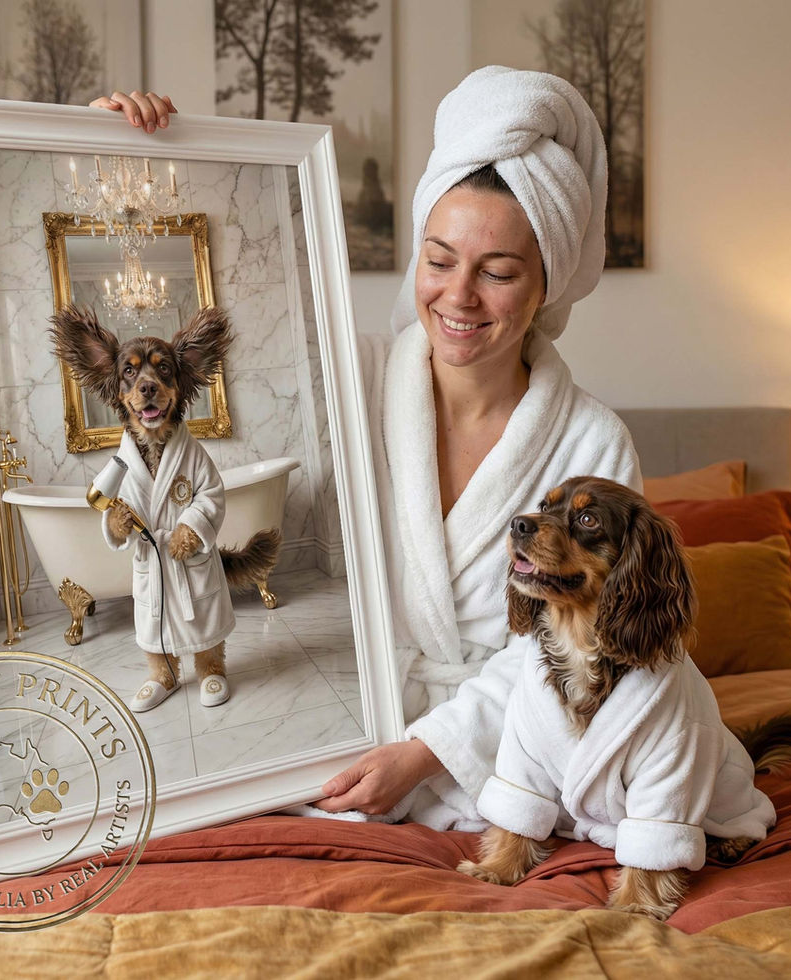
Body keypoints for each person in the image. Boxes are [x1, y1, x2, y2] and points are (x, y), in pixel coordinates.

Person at [90, 68, 642, 830]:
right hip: (332, 737)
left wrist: (428, 751)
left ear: (547, 285)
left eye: (500, 272)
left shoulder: (592, 443)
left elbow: (584, 645)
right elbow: (215, 344)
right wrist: (111, 150)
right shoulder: (351, 380)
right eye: (439, 260)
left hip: (507, 758)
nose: (458, 297)